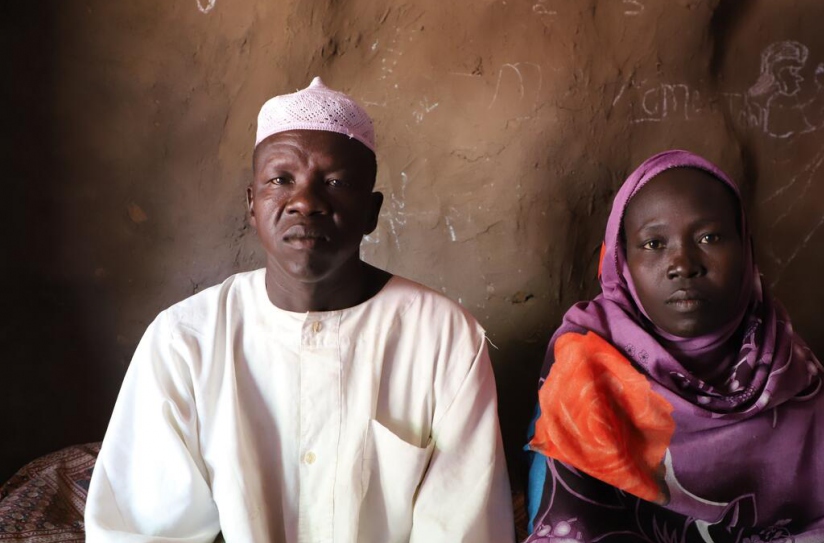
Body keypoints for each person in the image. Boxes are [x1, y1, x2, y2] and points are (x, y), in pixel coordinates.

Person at [85, 77, 515, 543]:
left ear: (371, 212)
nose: (306, 203)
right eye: (280, 180)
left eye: (335, 182)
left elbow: (463, 529)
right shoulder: (184, 341)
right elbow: (142, 530)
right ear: (253, 203)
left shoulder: (444, 339)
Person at [524, 150, 824, 542]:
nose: (683, 263)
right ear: (622, 261)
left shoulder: (789, 369)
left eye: (710, 237)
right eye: (654, 243)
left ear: (745, 249)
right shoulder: (586, 363)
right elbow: (573, 529)